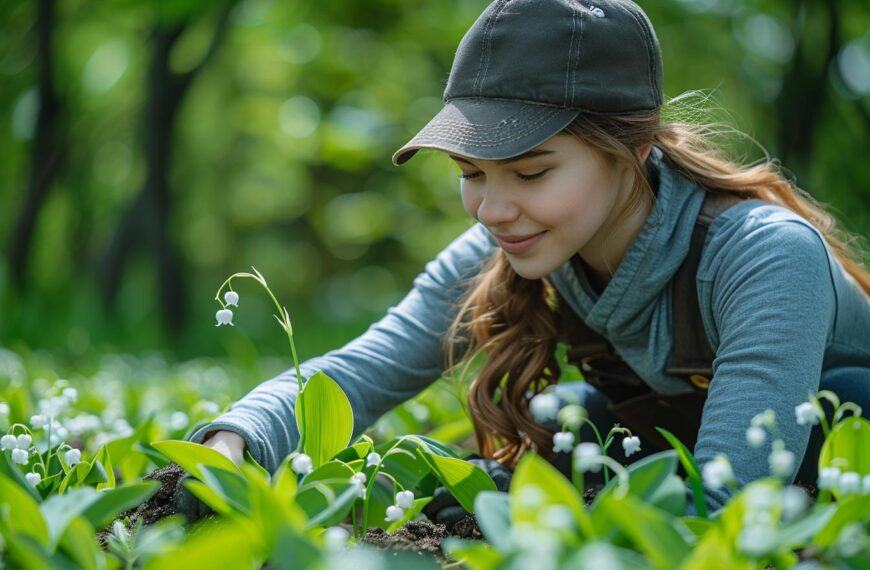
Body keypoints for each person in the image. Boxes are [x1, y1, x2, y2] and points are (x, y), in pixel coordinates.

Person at [187, 0, 870, 521]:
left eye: (531, 173)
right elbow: (365, 366)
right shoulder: (518, 241)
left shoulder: (765, 255)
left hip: (828, 441)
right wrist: (234, 440)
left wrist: (540, 507)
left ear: (632, 153)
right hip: (676, 435)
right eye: (471, 173)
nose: (491, 209)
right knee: (562, 421)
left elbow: (733, 499)